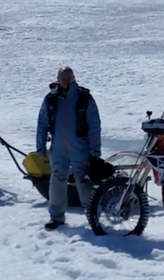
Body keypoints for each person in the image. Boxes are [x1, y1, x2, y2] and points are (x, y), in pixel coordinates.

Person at [35, 65, 101, 230]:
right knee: (57, 180)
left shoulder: (84, 98)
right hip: (58, 147)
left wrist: (95, 150)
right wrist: (40, 147)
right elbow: (42, 123)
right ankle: (56, 217)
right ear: (58, 79)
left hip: (80, 147)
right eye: (62, 78)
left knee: (83, 181)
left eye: (68, 78)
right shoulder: (51, 99)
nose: (65, 81)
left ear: (73, 78)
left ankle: (93, 216)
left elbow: (94, 125)